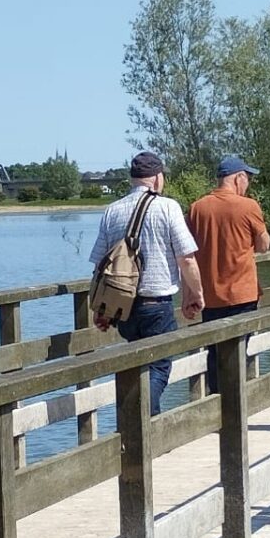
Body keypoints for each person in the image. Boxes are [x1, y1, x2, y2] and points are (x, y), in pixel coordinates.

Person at [87, 151, 205, 413]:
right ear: (157, 178)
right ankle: (143, 422)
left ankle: (140, 423)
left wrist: (100, 308)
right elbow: (187, 259)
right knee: (159, 367)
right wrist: (196, 294)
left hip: (123, 307)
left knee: (138, 368)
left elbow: (100, 266)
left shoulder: (112, 210)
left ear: (133, 179)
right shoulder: (168, 207)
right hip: (156, 305)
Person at [187, 157, 270, 395]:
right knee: (239, 352)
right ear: (238, 178)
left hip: (210, 296)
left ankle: (217, 400)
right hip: (242, 294)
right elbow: (264, 245)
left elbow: (187, 250)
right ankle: (236, 404)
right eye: (248, 178)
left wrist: (189, 293)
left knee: (214, 354)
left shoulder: (197, 208)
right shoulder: (248, 206)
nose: (248, 184)